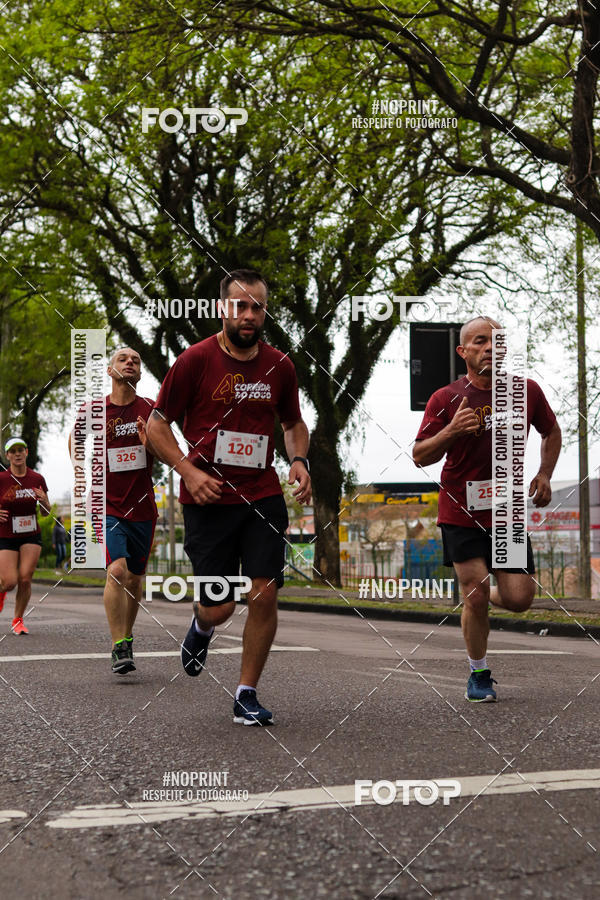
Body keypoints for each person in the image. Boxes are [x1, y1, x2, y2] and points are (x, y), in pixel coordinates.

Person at [147, 268, 311, 725]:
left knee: (264, 593)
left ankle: (246, 694)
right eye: (240, 306)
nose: (249, 315)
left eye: (257, 307)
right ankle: (201, 624)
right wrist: (187, 471)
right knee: (220, 606)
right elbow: (156, 425)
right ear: (223, 308)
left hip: (261, 495)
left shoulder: (280, 365)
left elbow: (293, 423)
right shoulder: (194, 361)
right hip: (209, 499)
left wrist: (299, 460)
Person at [413, 316, 561, 702]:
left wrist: (544, 474)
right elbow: (419, 456)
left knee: (518, 600)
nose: (490, 348)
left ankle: (481, 589)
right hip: (461, 510)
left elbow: (551, 431)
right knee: (475, 596)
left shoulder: (525, 391)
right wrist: (451, 431)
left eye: (497, 341)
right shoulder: (445, 399)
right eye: (480, 342)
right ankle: (479, 673)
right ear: (463, 351)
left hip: (507, 511)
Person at [69, 347, 158, 674]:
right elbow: (75, 439)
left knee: (135, 579)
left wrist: (148, 443)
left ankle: (127, 637)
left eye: (135, 360)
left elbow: (165, 451)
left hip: (143, 506)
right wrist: (80, 470)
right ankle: (118, 644)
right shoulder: (95, 408)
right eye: (123, 359)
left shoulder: (149, 409)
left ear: (139, 372)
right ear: (110, 370)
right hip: (106, 503)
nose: (130, 363)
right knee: (117, 571)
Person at [0, 438, 51, 634]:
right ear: (8, 456)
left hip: (31, 534)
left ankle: (18, 620)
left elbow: (46, 512)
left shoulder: (37, 479)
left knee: (25, 579)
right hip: (6, 534)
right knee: (9, 581)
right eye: (13, 451)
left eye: (21, 450)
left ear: (27, 452)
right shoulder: (2, 479)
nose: (17, 454)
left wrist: (45, 501)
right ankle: (2, 592)